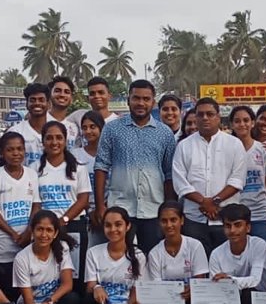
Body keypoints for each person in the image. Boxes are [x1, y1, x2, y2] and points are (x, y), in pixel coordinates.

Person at [94, 79, 177, 254]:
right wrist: (101, 205)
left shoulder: (165, 133)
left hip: (154, 208)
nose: (141, 103)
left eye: (146, 99)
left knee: (153, 258)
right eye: (136, 98)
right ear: (128, 100)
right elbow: (101, 167)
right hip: (120, 208)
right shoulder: (112, 129)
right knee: (121, 258)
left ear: (153, 102)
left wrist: (169, 207)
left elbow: (169, 174)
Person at [139, 201, 211, 304]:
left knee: (196, 296)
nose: (169, 225)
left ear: (182, 221)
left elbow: (200, 279)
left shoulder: (194, 246)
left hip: (192, 299)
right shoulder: (155, 253)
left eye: (173, 220)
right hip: (169, 302)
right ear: (159, 223)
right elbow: (157, 288)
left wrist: (191, 290)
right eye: (164, 221)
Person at [173, 97, 246, 253]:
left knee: (226, 266)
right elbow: (180, 182)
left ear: (218, 117)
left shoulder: (234, 144)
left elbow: (237, 180)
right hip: (194, 218)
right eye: (201, 114)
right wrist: (204, 202)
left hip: (226, 217)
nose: (205, 118)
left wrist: (215, 201)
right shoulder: (184, 146)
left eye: (210, 114)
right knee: (197, 266)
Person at [83, 205, 149, 304]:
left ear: (128, 226)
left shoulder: (138, 255)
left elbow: (137, 286)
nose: (113, 229)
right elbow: (90, 284)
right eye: (108, 225)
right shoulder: (94, 252)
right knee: (86, 300)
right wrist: (97, 287)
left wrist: (132, 302)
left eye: (118, 224)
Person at [14, 210, 81, 304]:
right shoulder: (22, 258)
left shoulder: (62, 248)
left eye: (49, 230)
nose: (44, 234)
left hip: (52, 302)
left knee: (73, 300)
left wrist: (48, 302)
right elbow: (28, 300)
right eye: (40, 229)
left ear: (56, 233)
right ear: (32, 231)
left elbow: (67, 284)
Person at [0, 131, 39, 302]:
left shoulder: (31, 174)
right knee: (8, 290)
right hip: (4, 246)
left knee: (27, 288)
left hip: (27, 241)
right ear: (2, 153)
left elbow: (36, 204)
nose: (16, 153)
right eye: (10, 150)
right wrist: (13, 234)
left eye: (19, 149)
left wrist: (29, 231)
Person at [38, 120, 91, 282]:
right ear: (43, 141)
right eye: (49, 138)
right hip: (45, 230)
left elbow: (83, 199)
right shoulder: (34, 168)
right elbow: (35, 202)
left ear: (65, 140)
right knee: (48, 275)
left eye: (59, 138)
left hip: (73, 226)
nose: (54, 142)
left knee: (74, 276)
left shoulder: (78, 168)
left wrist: (64, 220)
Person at [227, 105, 266, 251]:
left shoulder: (262, 150)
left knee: (265, 259)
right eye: (237, 121)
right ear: (231, 124)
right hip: (234, 216)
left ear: (252, 123)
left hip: (259, 215)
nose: (242, 124)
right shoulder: (225, 150)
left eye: (246, 120)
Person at [74, 111, 106, 250]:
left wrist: (104, 208)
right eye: (85, 127)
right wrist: (90, 210)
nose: (88, 131)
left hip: (109, 209)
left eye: (92, 127)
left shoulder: (112, 153)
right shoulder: (75, 155)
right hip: (86, 213)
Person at [10, 82, 51, 169]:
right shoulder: (15, 131)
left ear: (48, 103)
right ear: (26, 104)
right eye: (32, 100)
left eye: (41, 100)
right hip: (24, 181)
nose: (37, 103)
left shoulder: (56, 130)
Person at [48, 75, 81, 142]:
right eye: (57, 91)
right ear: (49, 94)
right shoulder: (40, 122)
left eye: (67, 92)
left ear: (72, 98)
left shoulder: (74, 128)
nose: (62, 95)